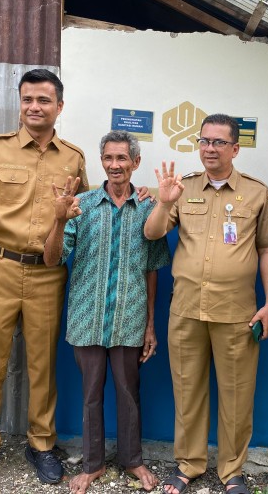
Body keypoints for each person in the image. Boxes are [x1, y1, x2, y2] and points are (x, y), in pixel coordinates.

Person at [0, 69, 89, 491]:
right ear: (20, 103)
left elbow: (83, 213)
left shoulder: (74, 158)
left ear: (59, 107)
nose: (35, 107)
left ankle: (42, 444)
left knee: (42, 364)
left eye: (44, 100)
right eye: (28, 99)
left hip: (49, 271)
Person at [143, 114, 268, 494]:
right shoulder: (182, 188)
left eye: (219, 142)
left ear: (235, 148)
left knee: (237, 393)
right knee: (187, 390)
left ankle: (232, 470)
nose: (210, 148)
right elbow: (152, 233)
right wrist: (163, 202)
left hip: (237, 313)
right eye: (204, 141)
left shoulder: (256, 193)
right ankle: (188, 464)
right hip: (186, 309)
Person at [43, 130, 171, 494]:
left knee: (129, 391)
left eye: (122, 158)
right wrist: (58, 219)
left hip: (129, 320)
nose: (115, 165)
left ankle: (133, 460)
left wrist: (149, 325)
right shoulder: (79, 205)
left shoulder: (149, 207)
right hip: (87, 317)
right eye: (109, 158)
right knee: (90, 394)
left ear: (135, 163)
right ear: (102, 162)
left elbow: (152, 268)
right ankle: (92, 464)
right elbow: (52, 260)